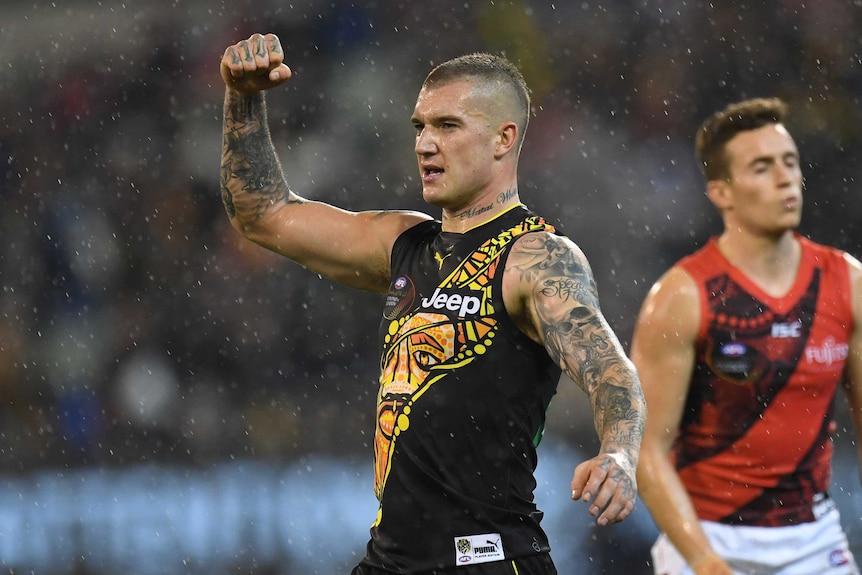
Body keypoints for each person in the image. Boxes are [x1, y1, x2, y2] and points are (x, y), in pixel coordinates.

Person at [219, 33, 646, 574]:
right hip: (389, 562)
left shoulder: (536, 258)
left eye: (447, 126)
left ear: (502, 139)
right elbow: (262, 214)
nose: (424, 144)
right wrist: (243, 99)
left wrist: (619, 453)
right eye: (420, 126)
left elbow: (612, 371)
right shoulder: (403, 244)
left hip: (489, 560)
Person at [631, 97, 862, 575]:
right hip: (707, 537)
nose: (785, 178)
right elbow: (646, 450)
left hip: (816, 541)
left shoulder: (849, 283)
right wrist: (706, 562)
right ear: (721, 192)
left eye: (790, 162)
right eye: (762, 167)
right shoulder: (682, 295)